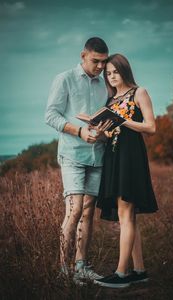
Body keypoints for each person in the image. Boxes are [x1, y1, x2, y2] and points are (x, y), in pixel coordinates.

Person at [45, 37, 111, 284]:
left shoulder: (105, 83)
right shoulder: (64, 79)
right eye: (96, 61)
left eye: (104, 62)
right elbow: (50, 115)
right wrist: (80, 131)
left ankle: (81, 267)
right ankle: (64, 270)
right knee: (74, 210)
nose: (101, 67)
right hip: (72, 154)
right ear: (83, 55)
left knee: (88, 210)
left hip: (98, 156)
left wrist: (103, 131)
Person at [94, 54, 158, 288]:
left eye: (115, 72)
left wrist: (123, 120)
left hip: (131, 159)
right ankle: (139, 271)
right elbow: (112, 132)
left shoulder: (139, 93)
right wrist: (99, 132)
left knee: (125, 215)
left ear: (125, 71)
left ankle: (122, 274)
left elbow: (151, 127)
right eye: (107, 74)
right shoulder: (110, 101)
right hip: (114, 159)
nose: (111, 77)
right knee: (128, 216)